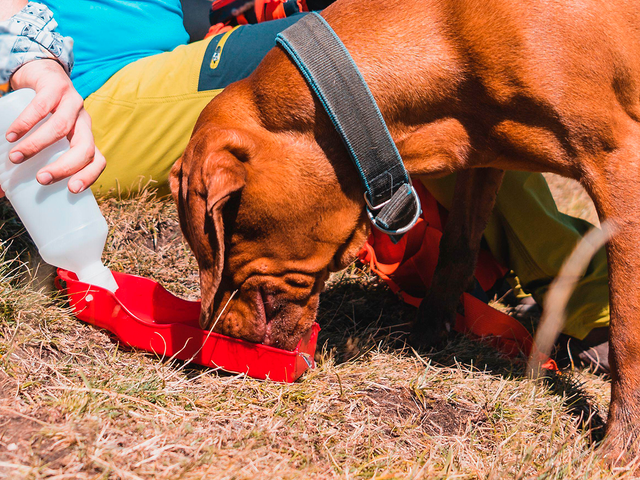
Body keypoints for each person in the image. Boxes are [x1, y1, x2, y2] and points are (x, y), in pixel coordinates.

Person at [0, 0, 611, 371]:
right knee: (351, 56)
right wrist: (24, 54)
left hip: (164, 66)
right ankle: (589, 293)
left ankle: (573, 279)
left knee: (404, 51)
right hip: (76, 92)